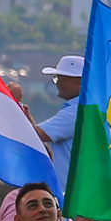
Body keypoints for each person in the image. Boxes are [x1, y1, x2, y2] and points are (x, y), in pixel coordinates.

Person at [33, 55, 84, 190]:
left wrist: (14, 103)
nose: (58, 84)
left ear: (81, 82)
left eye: (64, 79)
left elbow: (36, 136)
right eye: (57, 79)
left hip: (71, 193)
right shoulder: (82, 108)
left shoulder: (77, 111)